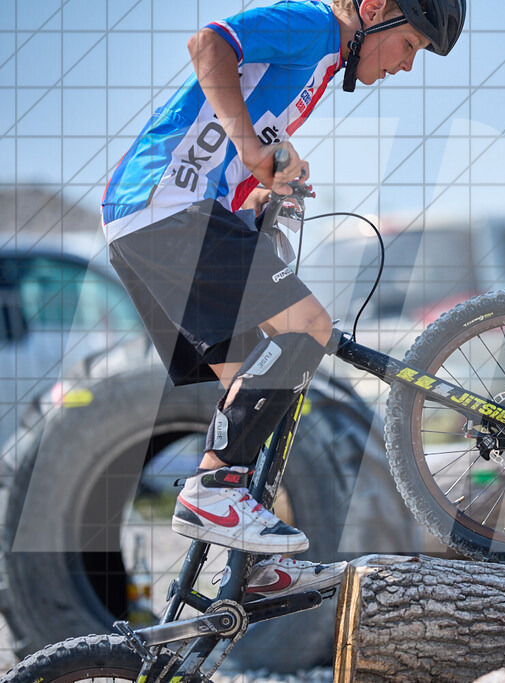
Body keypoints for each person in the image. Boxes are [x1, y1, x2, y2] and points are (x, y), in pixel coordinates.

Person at [101, 0, 466, 598]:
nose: (405, 67)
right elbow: (210, 45)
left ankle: (243, 566)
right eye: (411, 46)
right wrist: (252, 150)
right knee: (306, 331)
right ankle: (213, 492)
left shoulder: (321, 64)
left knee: (259, 391)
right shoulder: (315, 24)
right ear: (373, 8)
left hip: (162, 218)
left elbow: (229, 133)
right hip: (166, 209)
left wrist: (260, 185)